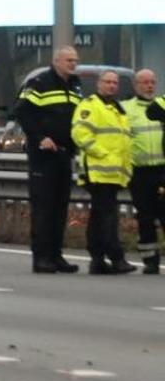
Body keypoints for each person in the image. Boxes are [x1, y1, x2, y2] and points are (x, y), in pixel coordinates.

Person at [14, 45, 84, 274]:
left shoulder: (75, 86)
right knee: (44, 207)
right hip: (43, 155)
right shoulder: (40, 82)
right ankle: (41, 257)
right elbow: (22, 112)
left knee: (60, 207)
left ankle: (56, 255)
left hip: (64, 154)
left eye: (75, 60)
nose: (73, 64)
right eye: (68, 60)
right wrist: (39, 137)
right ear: (56, 62)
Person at [72, 69, 136, 275]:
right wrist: (102, 154)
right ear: (99, 84)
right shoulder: (91, 106)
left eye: (114, 83)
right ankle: (115, 257)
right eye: (107, 82)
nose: (111, 86)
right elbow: (80, 133)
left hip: (114, 173)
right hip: (98, 172)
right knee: (107, 216)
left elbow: (123, 142)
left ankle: (98, 259)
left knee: (101, 216)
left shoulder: (117, 110)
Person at [124, 69, 163, 274]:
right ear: (136, 85)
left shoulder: (161, 106)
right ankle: (150, 260)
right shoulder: (126, 109)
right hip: (139, 172)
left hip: (162, 169)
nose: (149, 86)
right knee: (146, 217)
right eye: (145, 82)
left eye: (152, 82)